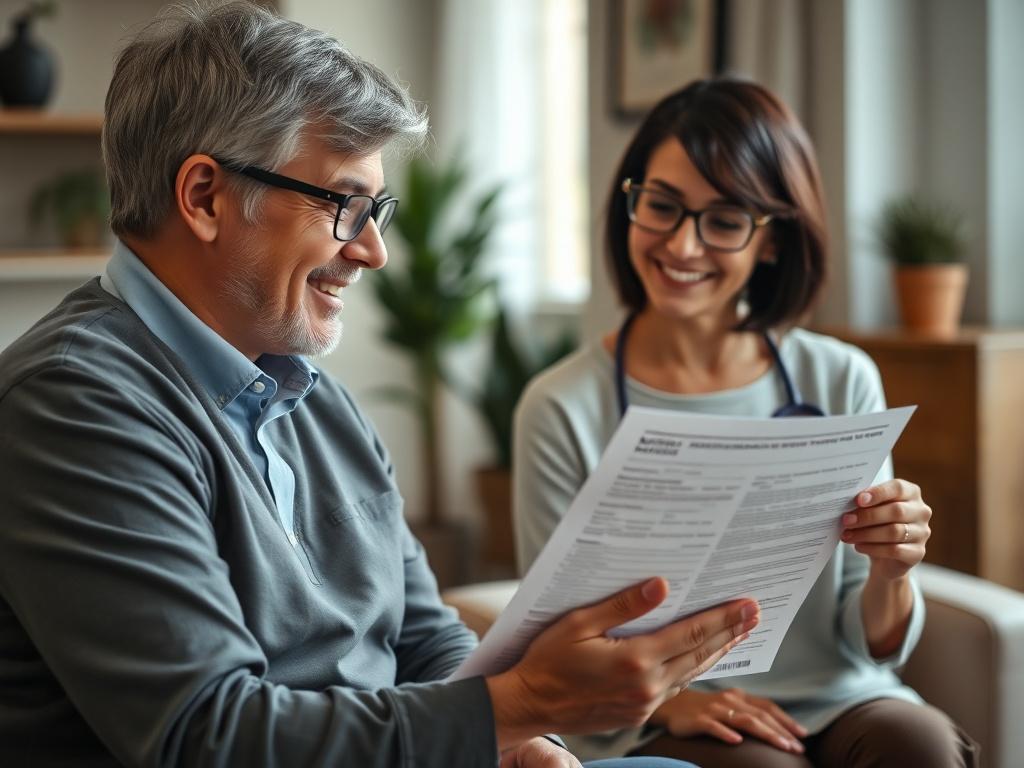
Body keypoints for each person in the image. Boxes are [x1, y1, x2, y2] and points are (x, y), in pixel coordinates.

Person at [0, 5, 761, 768]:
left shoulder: (313, 396)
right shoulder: (74, 405)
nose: (374, 250)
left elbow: (424, 635)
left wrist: (529, 743)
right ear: (204, 197)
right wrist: (521, 703)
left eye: (377, 210)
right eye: (344, 205)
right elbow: (211, 737)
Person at [513, 77, 980, 768]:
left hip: (841, 694)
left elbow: (870, 641)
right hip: (655, 710)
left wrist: (891, 568)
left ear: (770, 242)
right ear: (629, 205)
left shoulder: (839, 378)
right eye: (663, 207)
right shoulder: (561, 407)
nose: (683, 245)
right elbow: (560, 641)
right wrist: (675, 700)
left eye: (724, 221)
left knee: (922, 745)